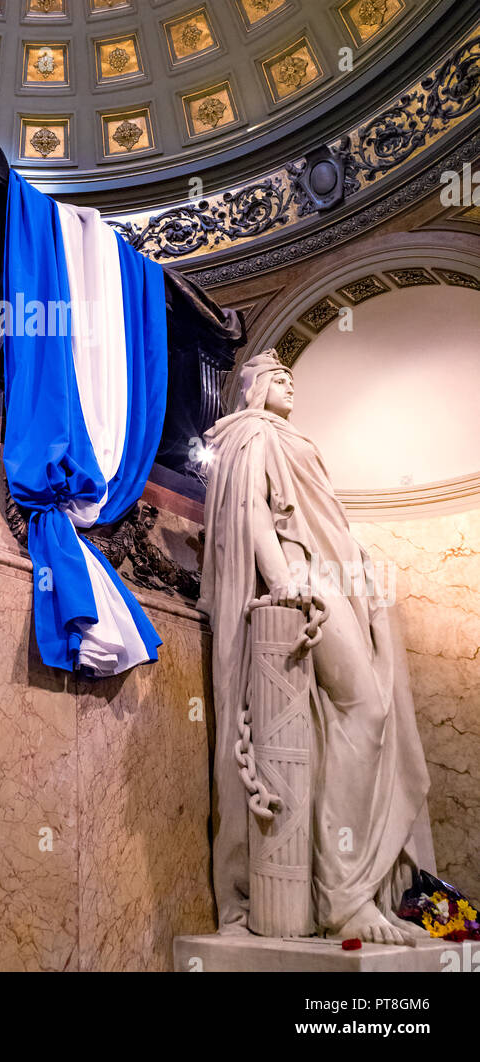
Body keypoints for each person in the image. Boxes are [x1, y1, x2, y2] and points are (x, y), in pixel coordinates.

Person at [199, 350, 434, 945]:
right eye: (278, 377)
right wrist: (283, 581)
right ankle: (344, 894)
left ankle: (349, 885)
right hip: (306, 583)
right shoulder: (251, 433)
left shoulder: (290, 436)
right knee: (366, 709)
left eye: (291, 376)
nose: (289, 384)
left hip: (337, 582)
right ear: (252, 389)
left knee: (366, 713)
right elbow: (253, 512)